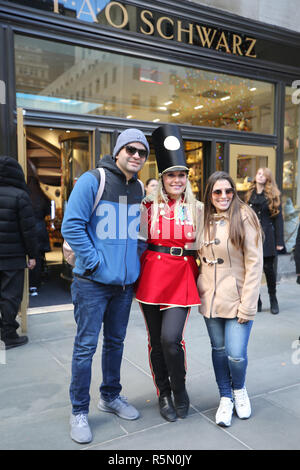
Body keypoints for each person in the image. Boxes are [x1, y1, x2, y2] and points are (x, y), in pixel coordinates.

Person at [61, 128, 149, 444]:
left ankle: (110, 396)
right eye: (131, 150)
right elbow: (71, 224)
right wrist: (96, 261)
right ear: (118, 151)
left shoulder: (138, 187)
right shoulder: (93, 180)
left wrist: (134, 267)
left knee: (116, 343)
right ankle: (79, 411)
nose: (136, 156)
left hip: (124, 286)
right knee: (85, 346)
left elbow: (139, 232)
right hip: (92, 284)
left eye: (142, 152)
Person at [136, 124, 203, 422]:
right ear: (162, 178)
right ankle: (163, 393)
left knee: (170, 339)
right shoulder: (146, 207)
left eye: (181, 175)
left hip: (182, 276)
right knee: (155, 340)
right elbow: (134, 243)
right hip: (151, 275)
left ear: (187, 178)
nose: (177, 179)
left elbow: (209, 247)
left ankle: (180, 389)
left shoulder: (199, 208)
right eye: (171, 174)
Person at [197, 171, 263, 427]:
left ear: (234, 192)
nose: (223, 196)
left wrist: (248, 304)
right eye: (217, 192)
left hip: (237, 298)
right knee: (219, 350)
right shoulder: (203, 217)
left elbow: (254, 264)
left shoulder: (245, 216)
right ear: (210, 194)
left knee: (235, 354)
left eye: (228, 191)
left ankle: (240, 389)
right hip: (211, 299)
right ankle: (225, 397)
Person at [0, 156, 37, 349]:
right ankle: (8, 335)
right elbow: (28, 231)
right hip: (12, 257)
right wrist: (32, 255)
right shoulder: (20, 196)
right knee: (10, 296)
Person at [245, 168, 284, 314]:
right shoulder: (249, 194)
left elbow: (278, 220)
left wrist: (280, 241)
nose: (260, 176)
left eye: (263, 174)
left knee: (268, 269)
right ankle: (257, 300)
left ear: (268, 178)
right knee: (253, 271)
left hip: (267, 236)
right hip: (251, 237)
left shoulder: (273, 195)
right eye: (258, 173)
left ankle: (273, 298)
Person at [27, 160, 51, 296]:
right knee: (39, 257)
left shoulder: (25, 195)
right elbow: (48, 209)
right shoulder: (41, 196)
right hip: (41, 228)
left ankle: (29, 284)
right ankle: (36, 284)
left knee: (31, 257)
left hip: (30, 228)